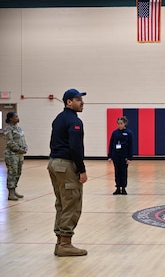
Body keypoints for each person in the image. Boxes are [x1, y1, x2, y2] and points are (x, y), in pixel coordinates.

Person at [47, 88, 88, 257]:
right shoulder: (74, 121)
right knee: (72, 202)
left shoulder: (58, 118)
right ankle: (65, 243)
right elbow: (75, 147)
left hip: (54, 163)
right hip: (66, 165)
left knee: (62, 203)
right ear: (68, 102)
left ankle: (60, 242)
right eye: (78, 100)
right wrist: (81, 169)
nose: (82, 102)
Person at [4, 112, 28, 201]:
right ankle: (11, 192)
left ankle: (14, 190)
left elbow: (22, 139)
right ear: (11, 118)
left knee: (18, 172)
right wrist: (18, 149)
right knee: (12, 172)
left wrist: (25, 148)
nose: (18, 118)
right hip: (11, 154)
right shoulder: (7, 129)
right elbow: (9, 142)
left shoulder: (19, 128)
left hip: (20, 154)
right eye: (16, 117)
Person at [108, 116, 133, 195]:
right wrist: (110, 156)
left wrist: (129, 158)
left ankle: (123, 188)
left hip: (124, 155)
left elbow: (131, 146)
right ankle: (118, 187)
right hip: (116, 155)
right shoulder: (115, 133)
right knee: (117, 171)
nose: (120, 125)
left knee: (123, 172)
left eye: (121, 124)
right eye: (118, 124)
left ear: (125, 123)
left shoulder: (128, 133)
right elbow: (111, 144)